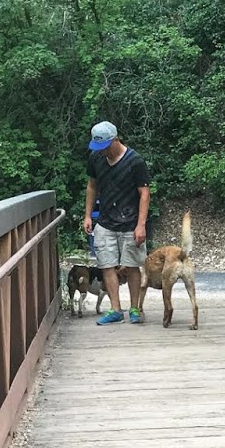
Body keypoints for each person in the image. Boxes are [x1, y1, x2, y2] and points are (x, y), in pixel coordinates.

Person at [83, 120, 151, 325]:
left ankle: (134, 308)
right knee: (107, 265)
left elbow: (145, 194)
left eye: (104, 147)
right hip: (105, 221)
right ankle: (115, 309)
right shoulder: (95, 158)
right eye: (98, 148)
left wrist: (141, 225)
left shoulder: (135, 161)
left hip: (130, 221)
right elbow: (92, 186)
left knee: (132, 266)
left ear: (115, 140)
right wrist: (87, 215)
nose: (102, 151)